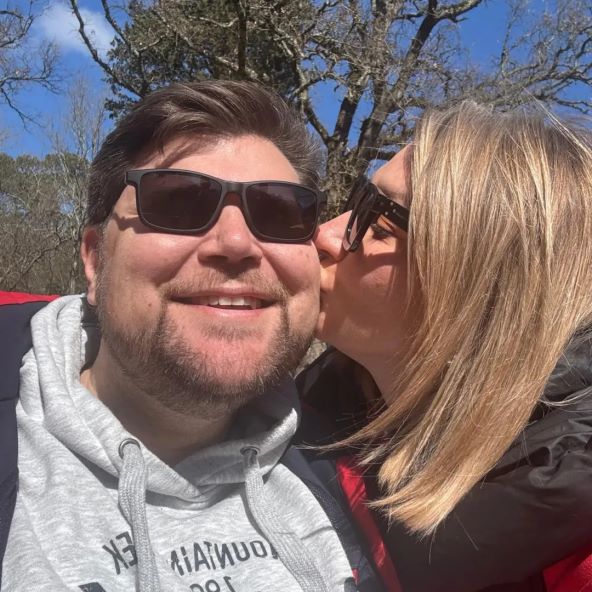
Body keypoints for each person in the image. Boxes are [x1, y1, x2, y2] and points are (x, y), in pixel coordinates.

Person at [0, 80, 374, 592]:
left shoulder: (364, 473)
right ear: (94, 260)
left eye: (279, 212)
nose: (237, 242)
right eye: (177, 204)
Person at [299, 101, 592, 592]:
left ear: (480, 290)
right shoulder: (315, 410)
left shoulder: (575, 552)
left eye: (378, 224)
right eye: (357, 200)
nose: (325, 235)